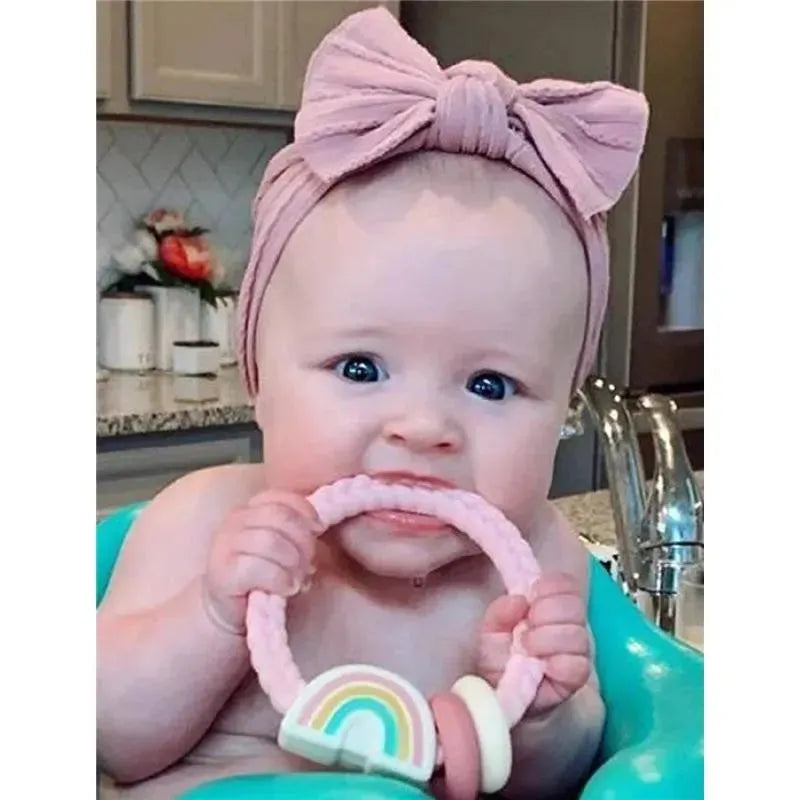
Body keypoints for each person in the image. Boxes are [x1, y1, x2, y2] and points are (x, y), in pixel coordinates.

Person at [97, 8, 648, 799]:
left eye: (490, 385)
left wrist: (538, 716)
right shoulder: (201, 522)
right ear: (258, 379)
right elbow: (110, 743)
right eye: (360, 367)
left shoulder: (536, 564)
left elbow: (564, 782)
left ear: (563, 407)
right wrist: (213, 615)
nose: (422, 428)